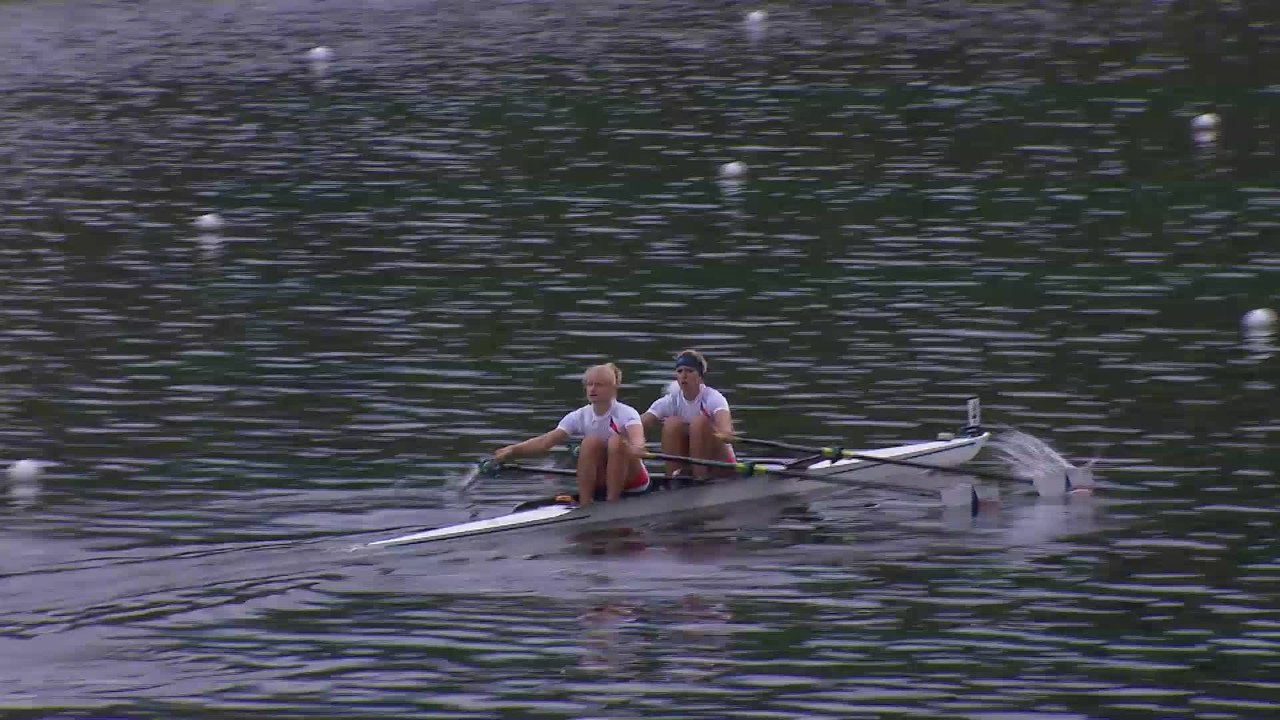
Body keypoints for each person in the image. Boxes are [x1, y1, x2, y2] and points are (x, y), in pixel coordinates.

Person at [493, 363, 648, 506]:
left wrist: (637, 447)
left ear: (613, 388)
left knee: (616, 442)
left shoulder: (627, 413)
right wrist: (513, 450)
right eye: (589, 384)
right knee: (589, 443)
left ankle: (612, 502)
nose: (592, 389)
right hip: (602, 479)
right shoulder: (579, 416)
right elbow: (546, 441)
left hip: (632, 480)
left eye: (599, 385)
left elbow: (638, 439)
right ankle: (585, 503)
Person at [640, 349, 734, 480]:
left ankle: (700, 477)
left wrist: (725, 433)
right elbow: (639, 424)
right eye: (680, 371)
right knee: (671, 424)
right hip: (689, 460)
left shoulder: (713, 398)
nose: (683, 375)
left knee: (698, 423)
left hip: (719, 461)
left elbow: (726, 430)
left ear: (700, 376)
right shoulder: (671, 400)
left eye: (689, 371)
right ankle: (673, 479)